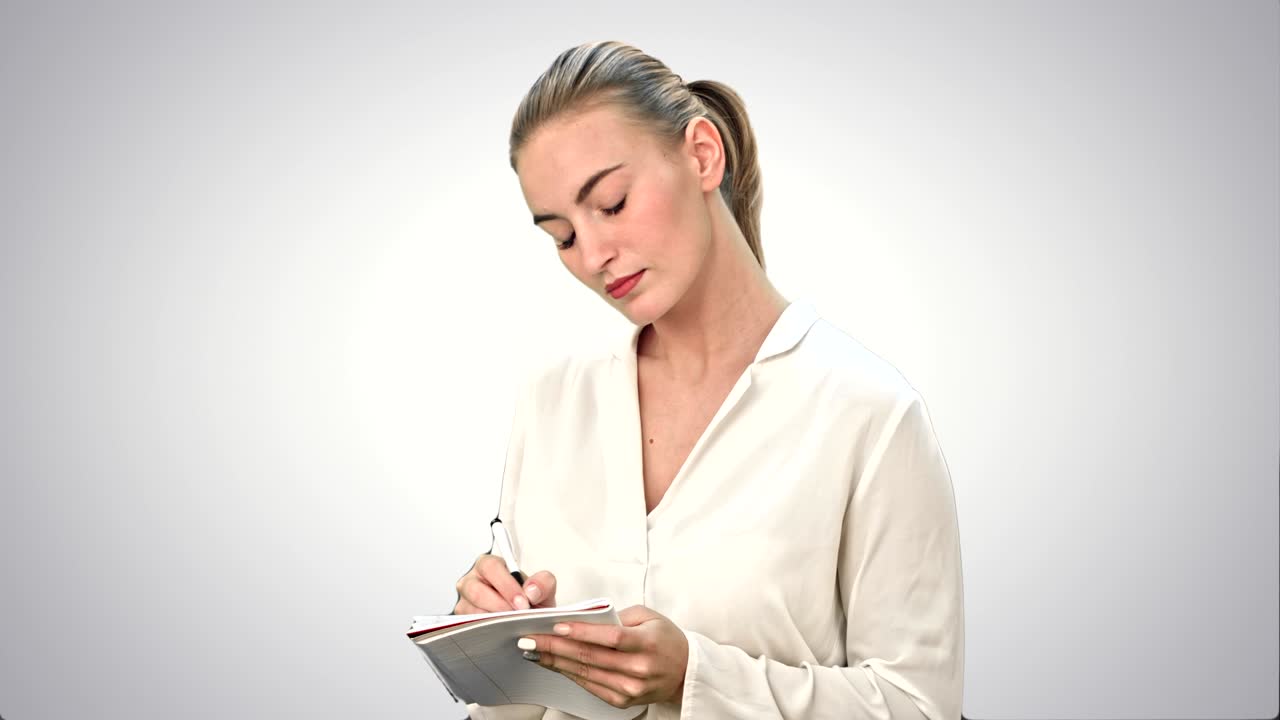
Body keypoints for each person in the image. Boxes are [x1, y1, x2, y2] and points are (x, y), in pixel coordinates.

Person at [450, 40, 964, 720]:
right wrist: (494, 648)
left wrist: (697, 677)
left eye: (611, 202)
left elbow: (919, 706)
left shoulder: (868, 414)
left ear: (701, 155)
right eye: (562, 237)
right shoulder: (553, 400)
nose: (594, 253)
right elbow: (521, 706)